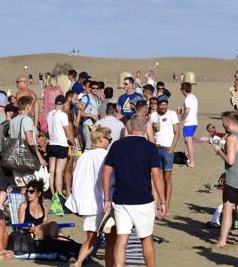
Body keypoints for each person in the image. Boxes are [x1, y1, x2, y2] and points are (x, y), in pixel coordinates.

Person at [102, 114, 166, 267]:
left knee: (122, 238)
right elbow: (156, 175)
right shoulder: (150, 147)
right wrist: (163, 201)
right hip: (143, 199)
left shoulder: (117, 145)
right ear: (145, 129)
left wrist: (106, 198)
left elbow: (106, 172)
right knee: (146, 238)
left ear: (129, 128)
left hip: (121, 198)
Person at [66, 126, 115, 267]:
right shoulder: (103, 156)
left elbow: (75, 177)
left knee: (92, 237)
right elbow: (109, 179)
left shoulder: (83, 156)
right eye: (108, 139)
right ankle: (81, 262)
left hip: (85, 202)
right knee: (103, 239)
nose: (109, 142)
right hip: (98, 202)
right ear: (100, 139)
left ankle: (79, 262)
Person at [211, 111, 238, 251]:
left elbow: (230, 160)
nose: (222, 125)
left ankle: (222, 240)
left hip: (234, 180)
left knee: (228, 209)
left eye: (223, 122)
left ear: (228, 122)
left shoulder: (232, 138)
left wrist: (218, 150)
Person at [149, 94, 179, 213]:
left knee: (167, 178)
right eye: (161, 104)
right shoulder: (153, 116)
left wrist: (172, 148)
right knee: (157, 177)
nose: (163, 106)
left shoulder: (172, 114)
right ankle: (157, 205)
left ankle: (167, 205)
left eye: (165, 104)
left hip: (167, 149)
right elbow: (150, 131)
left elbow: (177, 132)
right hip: (156, 149)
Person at [46, 95, 72, 195]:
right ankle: (59, 194)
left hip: (52, 143)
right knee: (59, 172)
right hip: (61, 144)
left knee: (51, 171)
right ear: (64, 103)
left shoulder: (49, 114)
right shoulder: (62, 115)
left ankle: (53, 194)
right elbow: (68, 131)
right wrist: (73, 142)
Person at [180, 82, 198, 168]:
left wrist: (182, 120)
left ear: (184, 90)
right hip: (194, 122)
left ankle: (192, 162)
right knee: (187, 141)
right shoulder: (194, 97)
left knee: (189, 142)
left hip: (189, 123)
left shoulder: (188, 99)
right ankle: (189, 158)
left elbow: (187, 111)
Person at [79, 81, 101, 150]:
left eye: (97, 88)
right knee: (88, 146)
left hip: (96, 125)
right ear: (90, 88)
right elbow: (81, 113)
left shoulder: (97, 99)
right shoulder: (85, 98)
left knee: (95, 146)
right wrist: (91, 115)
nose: (95, 90)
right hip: (87, 124)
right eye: (93, 88)